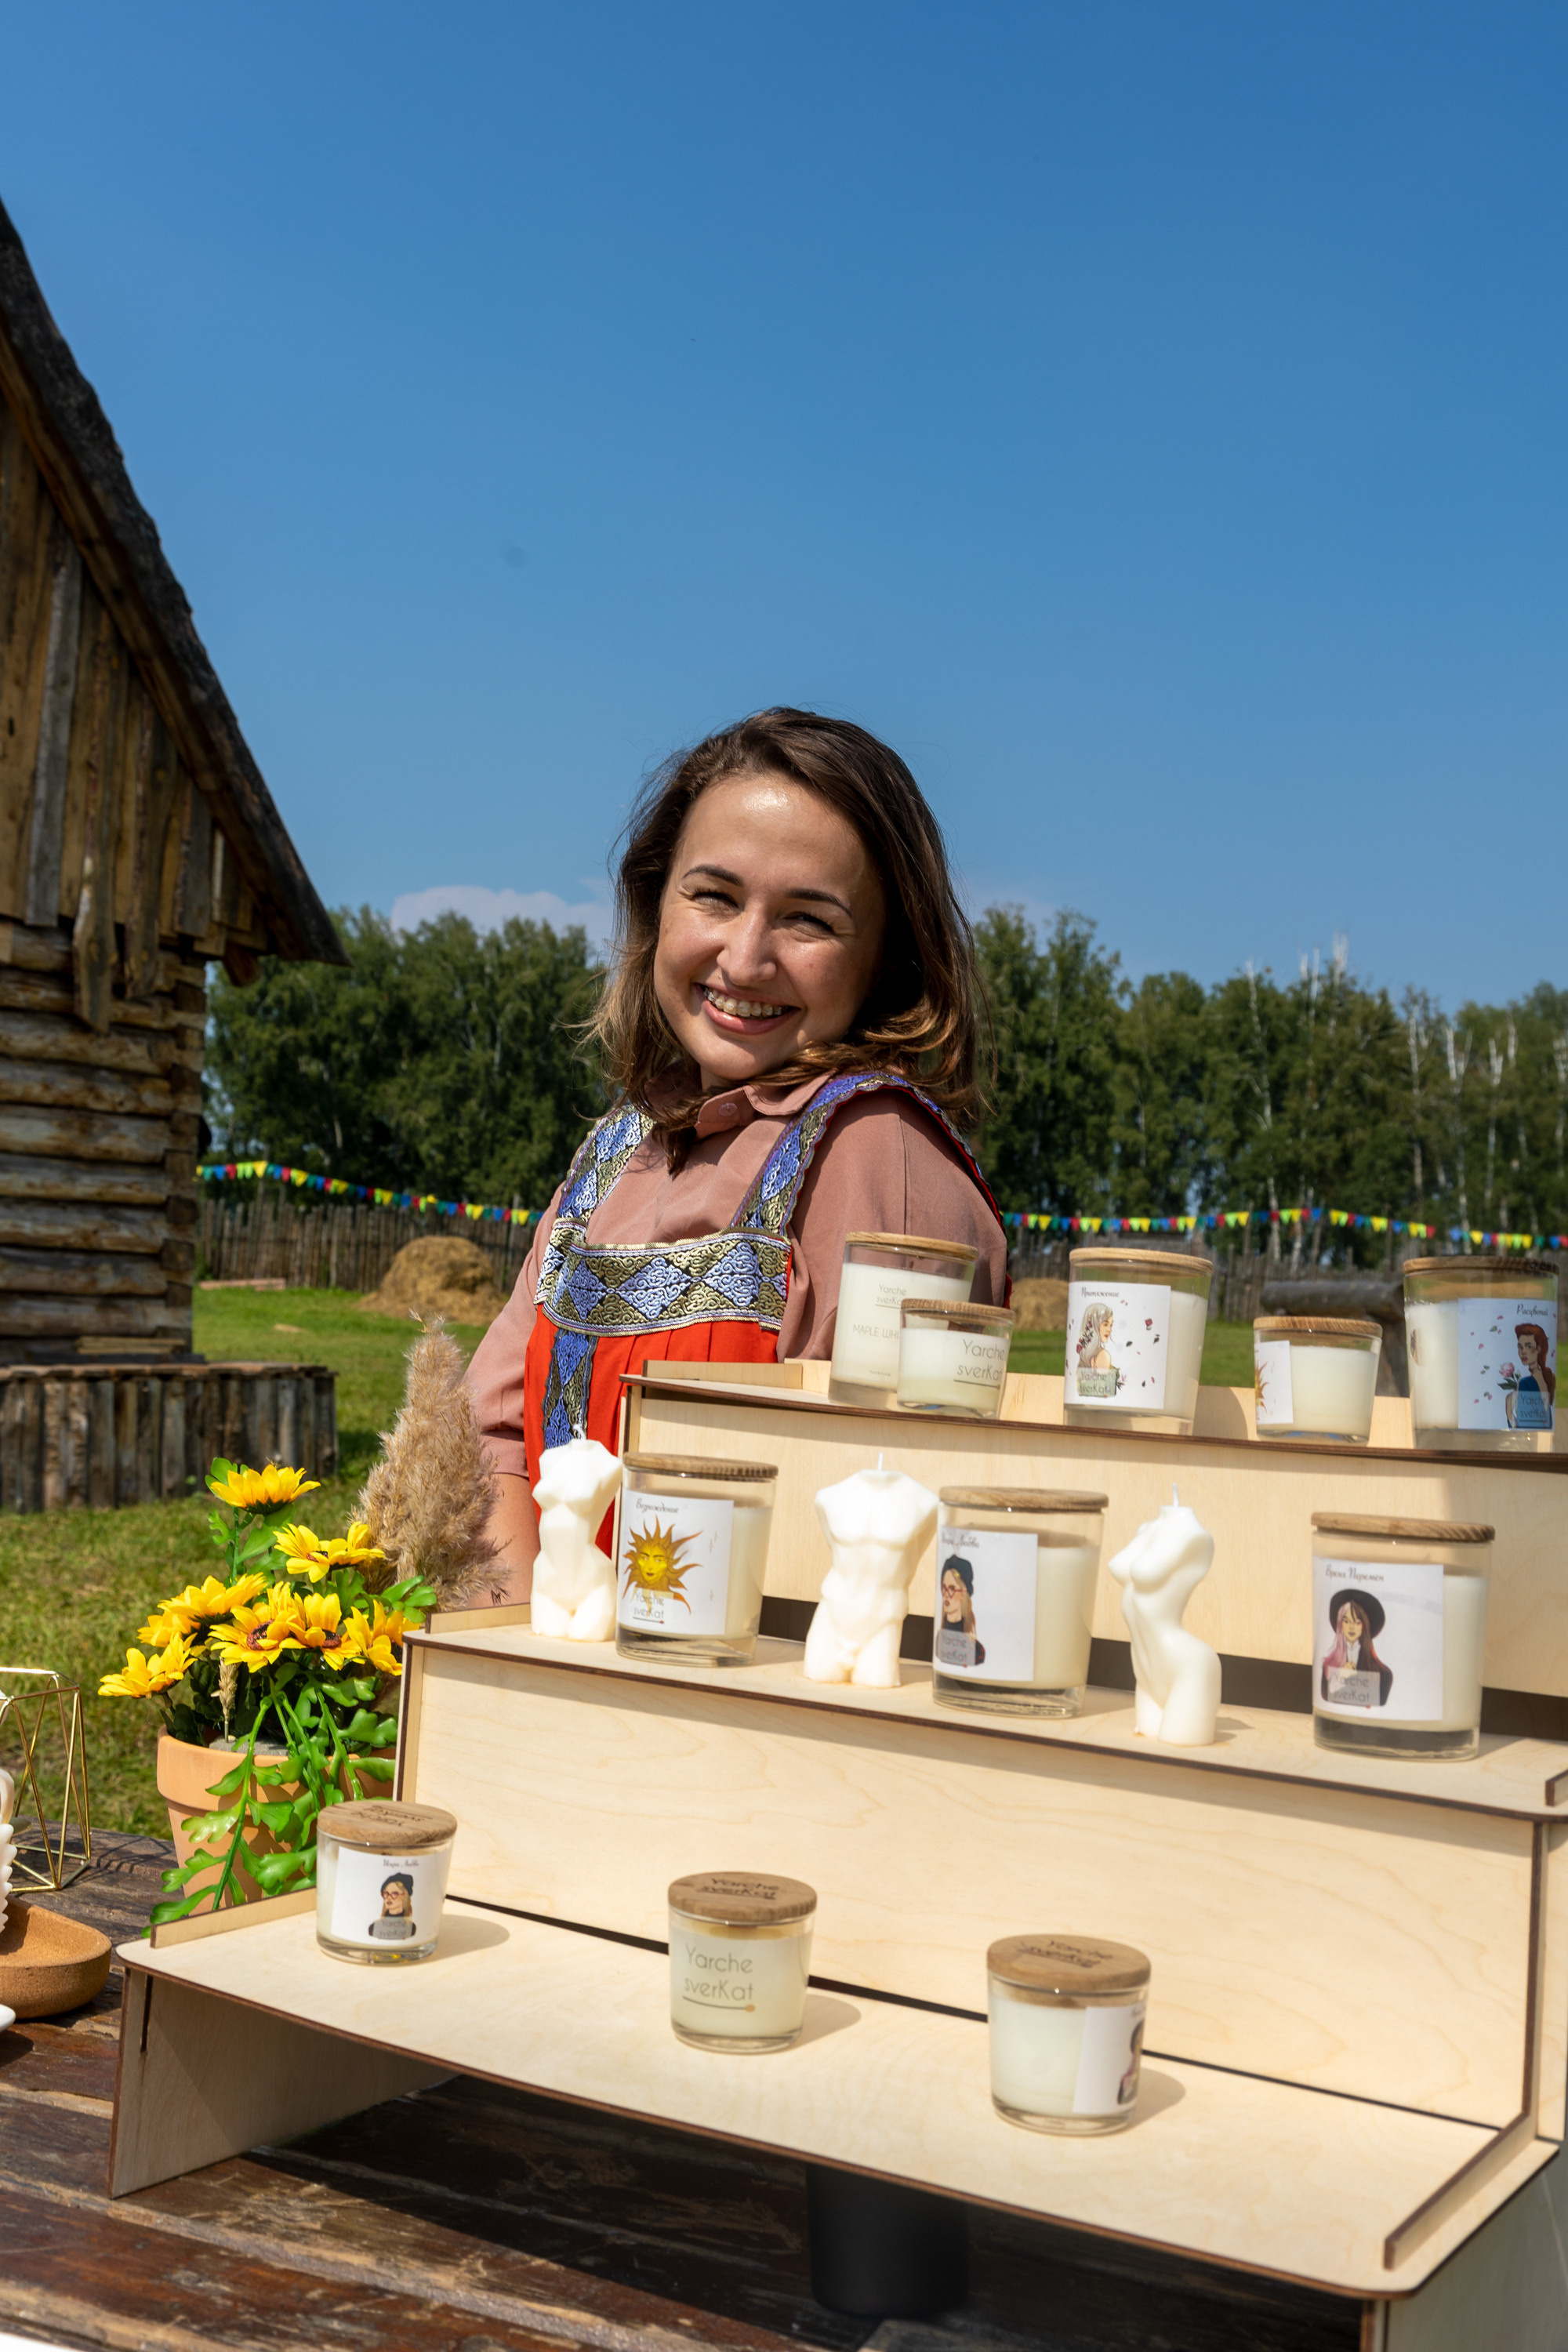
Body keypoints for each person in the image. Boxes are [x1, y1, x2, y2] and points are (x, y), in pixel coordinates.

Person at [469, 709, 1009, 1602]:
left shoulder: (877, 1156)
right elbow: (491, 1440)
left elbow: (881, 1522)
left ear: (885, 959)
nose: (745, 956)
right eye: (713, 897)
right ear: (656, 901)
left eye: (808, 920)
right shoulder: (617, 1149)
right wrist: (534, 1654)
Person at [1320, 1590, 1392, 1709]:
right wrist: (1340, 1677)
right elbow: (1325, 1695)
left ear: (1364, 1625)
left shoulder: (1383, 1674)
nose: (1351, 1627)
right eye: (1347, 1621)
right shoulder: (1328, 1666)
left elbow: (1381, 1699)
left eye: (1357, 1622)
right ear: (1340, 1624)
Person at [1507, 1323, 1555, 1431]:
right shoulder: (1548, 1376)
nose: (1523, 1351)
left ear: (1538, 1348)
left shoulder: (1526, 1383)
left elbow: (1525, 1429)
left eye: (1528, 1346)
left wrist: (1509, 1414)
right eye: (1520, 1347)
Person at [938, 1556, 985, 1667]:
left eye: (952, 1589)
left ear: (964, 1593)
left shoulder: (976, 1651)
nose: (946, 1596)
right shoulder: (939, 1640)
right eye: (944, 1588)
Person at [368, 1873, 417, 1940]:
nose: (389, 1898)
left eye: (394, 1894)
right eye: (386, 1893)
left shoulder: (411, 1928)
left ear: (405, 1896)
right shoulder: (374, 1927)